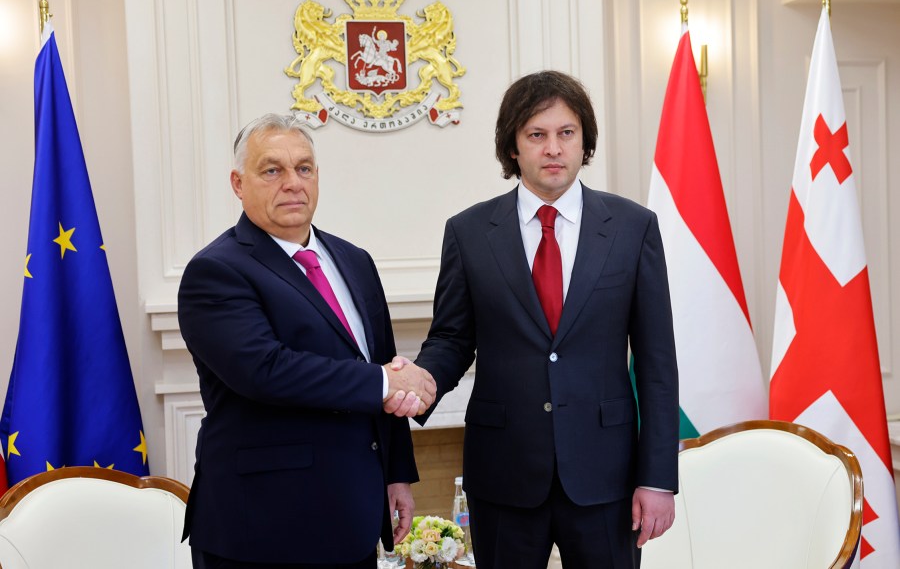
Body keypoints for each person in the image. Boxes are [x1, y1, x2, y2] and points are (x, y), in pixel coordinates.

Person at [405, 71, 679, 568]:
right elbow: (451, 339)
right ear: (513, 147)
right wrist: (419, 384)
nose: (553, 148)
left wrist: (657, 477)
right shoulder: (468, 233)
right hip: (504, 477)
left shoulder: (634, 228)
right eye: (537, 135)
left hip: (605, 478)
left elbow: (658, 363)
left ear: (583, 142)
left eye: (566, 133)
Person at [178, 113, 436, 569]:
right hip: (260, 528)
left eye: (304, 168)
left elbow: (380, 363)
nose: (293, 183)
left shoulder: (354, 261)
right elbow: (266, 370)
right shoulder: (216, 271)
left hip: (352, 519)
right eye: (272, 170)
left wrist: (396, 475)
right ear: (238, 183)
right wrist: (384, 383)